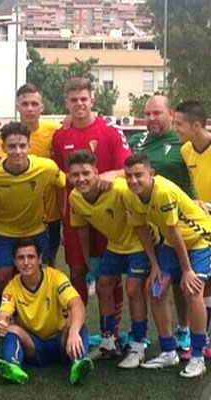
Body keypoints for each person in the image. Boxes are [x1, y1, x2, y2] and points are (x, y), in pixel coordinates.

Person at [51, 77, 130, 337]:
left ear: (92, 101)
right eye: (74, 100)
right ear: (66, 103)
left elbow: (129, 169)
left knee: (110, 275)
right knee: (77, 270)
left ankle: (112, 334)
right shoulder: (60, 135)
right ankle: (80, 330)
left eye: (84, 99)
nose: (79, 104)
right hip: (76, 213)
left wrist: (114, 174)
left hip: (109, 214)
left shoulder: (109, 130)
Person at [123, 153, 210, 378]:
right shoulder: (130, 195)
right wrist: (155, 266)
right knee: (155, 289)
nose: (133, 181)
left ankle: (198, 355)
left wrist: (187, 270)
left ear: (151, 174)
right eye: (129, 176)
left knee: (193, 290)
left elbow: (175, 231)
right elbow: (142, 230)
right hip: (172, 244)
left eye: (139, 175)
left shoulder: (163, 191)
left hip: (201, 239)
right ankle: (168, 350)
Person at [68, 150, 152, 368]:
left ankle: (137, 345)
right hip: (115, 246)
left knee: (134, 289)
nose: (81, 179)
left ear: (97, 172)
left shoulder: (119, 189)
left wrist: (154, 257)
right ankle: (108, 342)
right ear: (69, 177)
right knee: (104, 286)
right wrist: (89, 262)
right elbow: (82, 231)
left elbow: (146, 192)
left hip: (138, 245)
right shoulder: (75, 198)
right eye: (75, 175)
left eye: (86, 173)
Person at [129, 95, 196, 354]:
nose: (151, 119)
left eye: (157, 113)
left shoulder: (183, 141)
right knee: (154, 281)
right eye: (147, 114)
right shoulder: (137, 142)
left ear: (171, 115)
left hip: (182, 224)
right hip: (149, 225)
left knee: (183, 281)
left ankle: (186, 330)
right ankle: (145, 336)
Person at [0, 122, 65, 306]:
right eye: (11, 146)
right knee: (3, 277)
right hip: (2, 232)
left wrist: (62, 217)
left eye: (22, 146)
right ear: (3, 148)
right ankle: (0, 323)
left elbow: (63, 185)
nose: (17, 151)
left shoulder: (46, 167)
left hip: (35, 231)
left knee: (35, 277)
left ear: (29, 147)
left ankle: (34, 322)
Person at [0, 238, 93, 385]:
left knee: (77, 324)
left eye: (31, 257)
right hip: (33, 345)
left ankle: (78, 364)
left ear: (40, 259)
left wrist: (73, 332)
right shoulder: (11, 287)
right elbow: (3, 313)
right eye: (21, 258)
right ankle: (12, 366)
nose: (26, 262)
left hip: (60, 340)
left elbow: (77, 304)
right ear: (14, 261)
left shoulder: (56, 277)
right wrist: (1, 322)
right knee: (11, 330)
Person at [174, 100, 211, 359]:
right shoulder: (186, 150)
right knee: (205, 285)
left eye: (179, 124)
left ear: (196, 125)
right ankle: (205, 337)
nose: (176, 129)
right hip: (203, 226)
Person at [16, 83, 63, 266]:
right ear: (17, 106)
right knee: (17, 266)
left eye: (34, 104)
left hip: (50, 215)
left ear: (42, 107)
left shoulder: (56, 131)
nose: (29, 109)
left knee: (48, 263)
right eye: (25, 104)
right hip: (19, 215)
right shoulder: (8, 137)